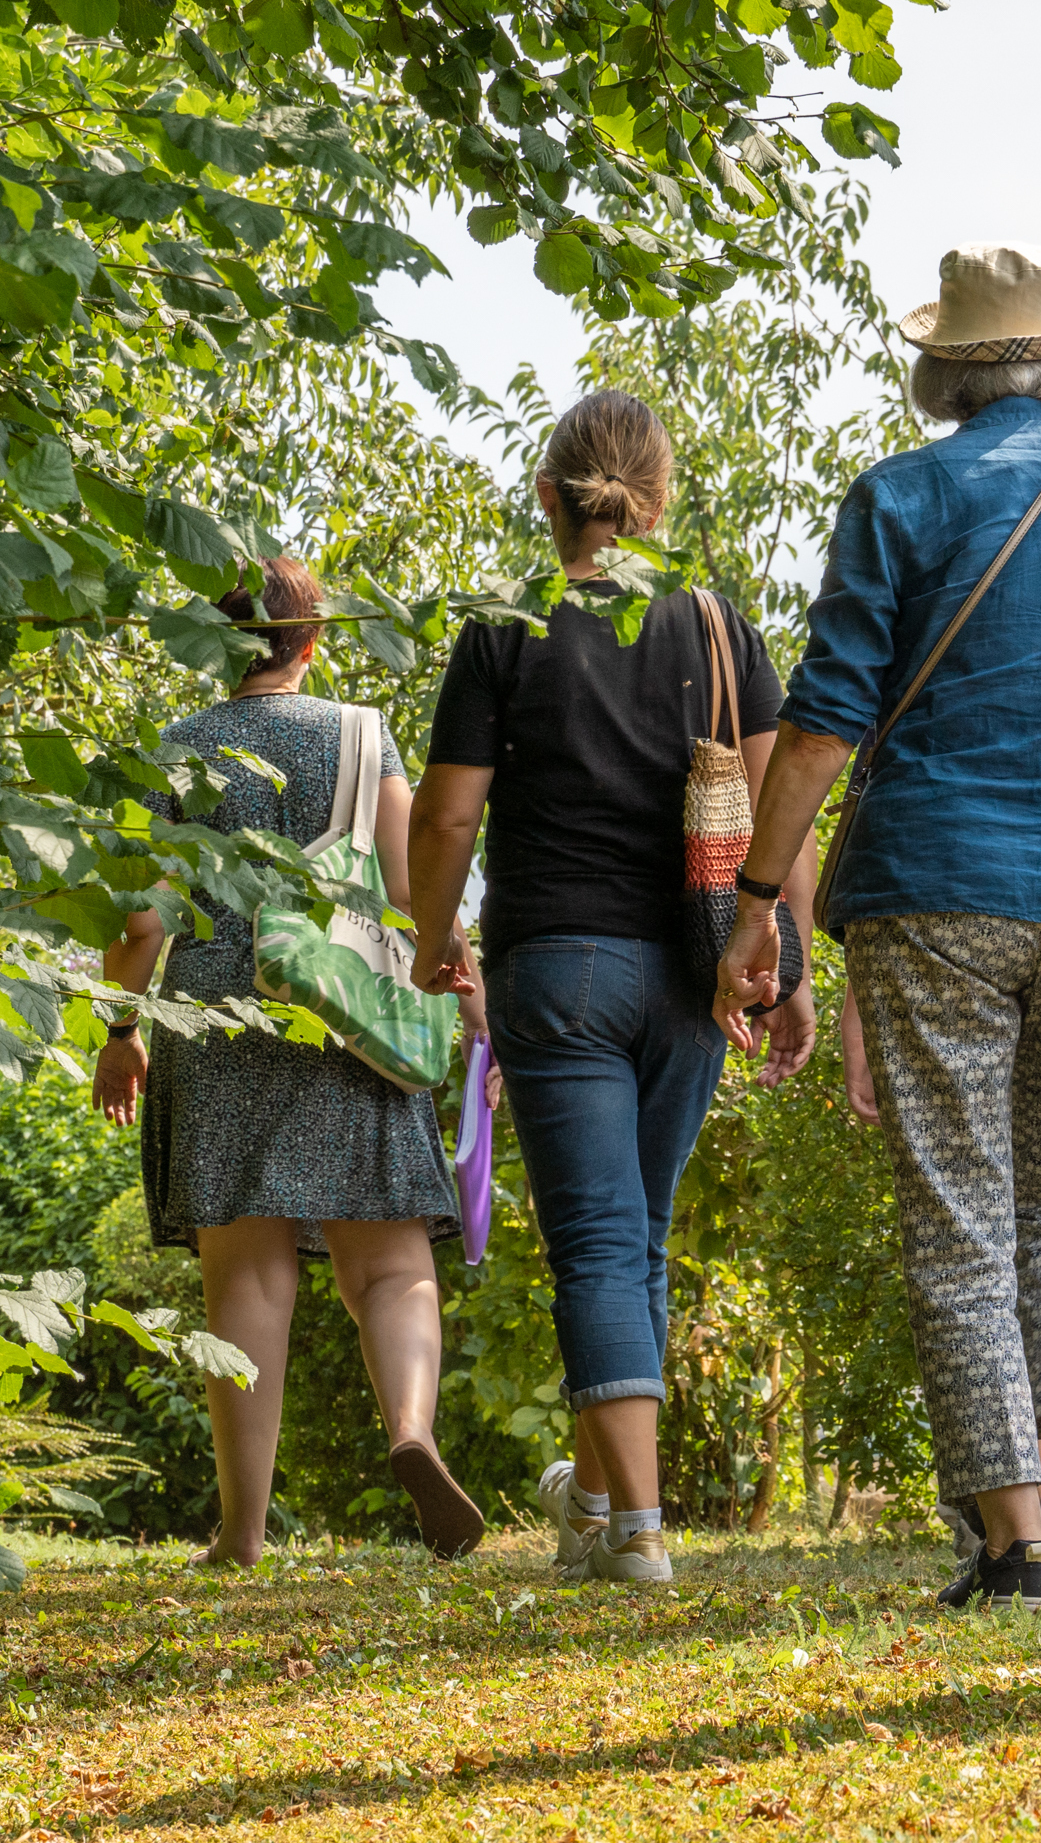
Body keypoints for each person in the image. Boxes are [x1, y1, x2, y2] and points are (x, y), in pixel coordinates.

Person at [711, 243, 1041, 1611]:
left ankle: (1012, 1542)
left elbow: (830, 712)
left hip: (940, 884)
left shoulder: (900, 495)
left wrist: (759, 898)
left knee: (960, 1213)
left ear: (944, 366)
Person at [407, 392, 818, 1589]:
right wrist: (785, 963)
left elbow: (445, 812)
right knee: (633, 1232)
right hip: (695, 970)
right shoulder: (718, 627)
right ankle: (593, 1502)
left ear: (548, 496)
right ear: (663, 494)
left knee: (594, 1239)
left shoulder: (506, 627)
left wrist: (433, 941)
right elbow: (775, 812)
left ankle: (638, 1530)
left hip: (555, 965)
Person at [94, 558, 488, 1568]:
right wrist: (462, 982)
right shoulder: (361, 733)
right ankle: (410, 1426)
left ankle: (242, 1533)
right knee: (394, 1264)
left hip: (217, 1011)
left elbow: (143, 918)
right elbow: (413, 891)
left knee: (248, 1281)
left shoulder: (179, 748)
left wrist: (120, 1032)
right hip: (346, 1007)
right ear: (311, 641)